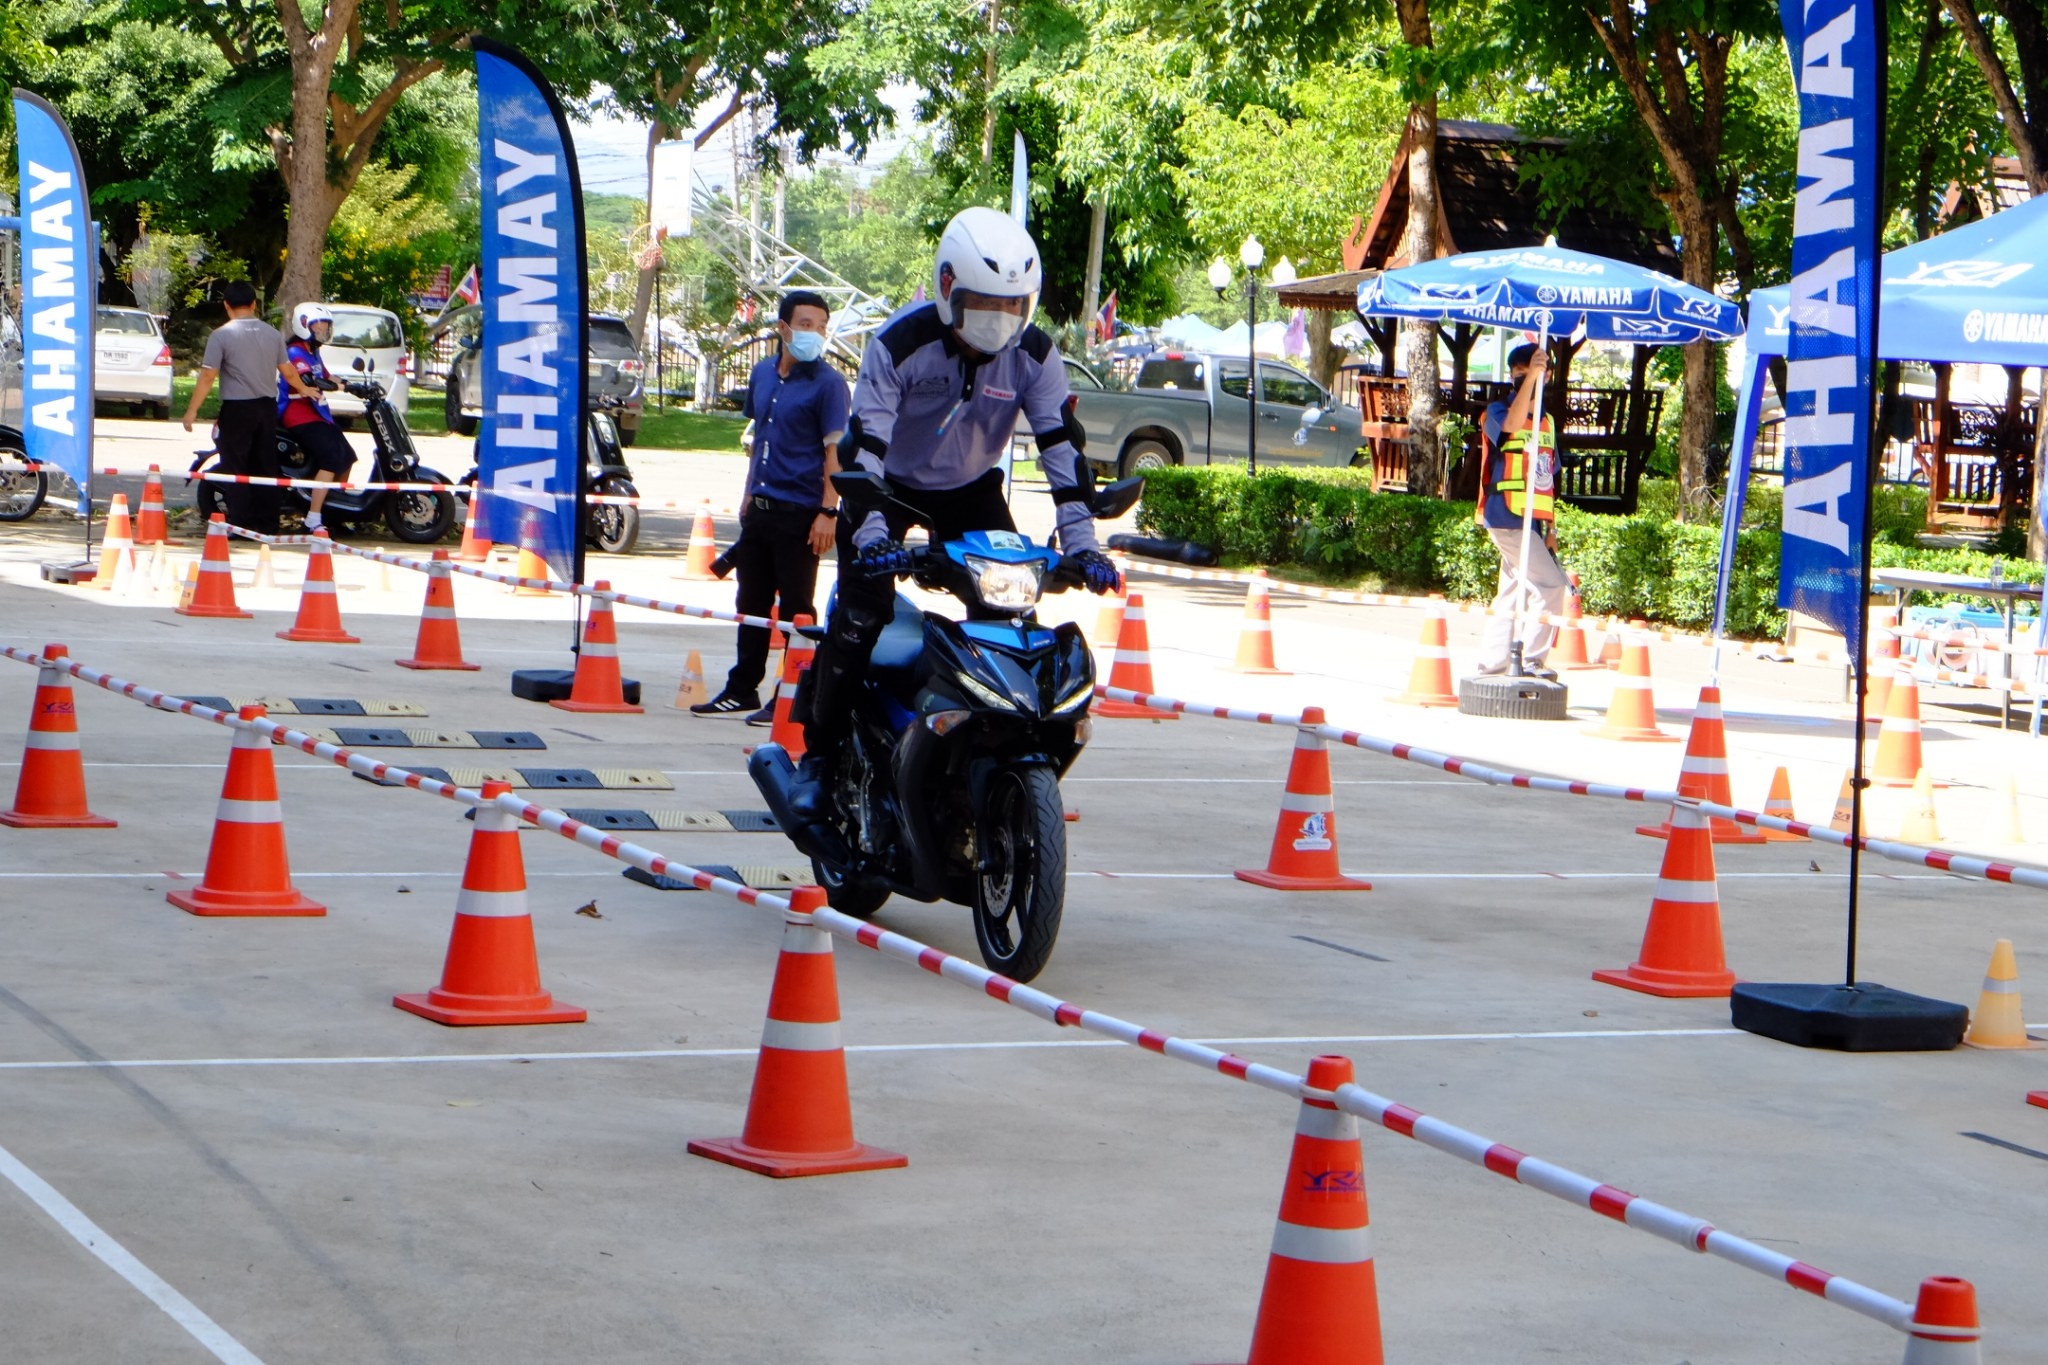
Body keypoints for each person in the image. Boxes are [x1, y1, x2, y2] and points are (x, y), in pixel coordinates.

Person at [791, 206, 1123, 812]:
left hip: (971, 489)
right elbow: (862, 449)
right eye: (983, 305)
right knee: (861, 615)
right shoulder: (898, 345)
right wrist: (868, 538)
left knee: (1013, 610)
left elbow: (1060, 451)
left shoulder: (1038, 357)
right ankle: (818, 753)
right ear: (947, 288)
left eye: (1012, 307)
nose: (999, 322)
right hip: (885, 490)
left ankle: (1000, 754)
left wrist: (1082, 545)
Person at [693, 290, 850, 722]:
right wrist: (748, 493)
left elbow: (833, 454)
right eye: (805, 325)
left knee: (798, 606)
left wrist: (828, 511)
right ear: (783, 328)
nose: (815, 334)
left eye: (821, 326)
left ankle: (794, 693)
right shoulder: (763, 374)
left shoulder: (830, 385)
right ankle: (742, 687)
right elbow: (760, 439)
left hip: (802, 511)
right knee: (752, 602)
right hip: (761, 506)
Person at [184, 282, 322, 534]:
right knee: (265, 466)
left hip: (237, 410)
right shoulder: (272, 334)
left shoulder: (221, 335)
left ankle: (240, 523)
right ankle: (267, 524)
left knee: (235, 467)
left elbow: (207, 376)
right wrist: (305, 390)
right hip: (266, 410)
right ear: (254, 304)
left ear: (226, 306)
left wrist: (192, 410)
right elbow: (288, 371)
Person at [1476, 342, 1567, 678]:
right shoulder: (1497, 411)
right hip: (1506, 514)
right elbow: (1513, 425)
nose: (1526, 379)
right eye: (1520, 374)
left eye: (1536, 373)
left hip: (1533, 521)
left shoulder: (1547, 422)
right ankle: (1530, 660)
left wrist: (1552, 530)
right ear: (1512, 376)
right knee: (1550, 585)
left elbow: (1547, 478)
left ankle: (1493, 661)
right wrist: (1532, 380)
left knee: (1513, 589)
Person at [276, 303, 355, 532]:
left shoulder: (313, 352)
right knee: (331, 459)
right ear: (303, 326)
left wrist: (354, 385)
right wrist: (337, 386)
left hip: (317, 413)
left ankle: (334, 512)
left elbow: (327, 375)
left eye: (326, 326)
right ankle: (313, 517)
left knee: (347, 457)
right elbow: (310, 380)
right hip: (298, 414)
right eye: (318, 326)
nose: (323, 330)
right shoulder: (295, 352)